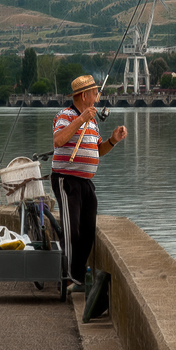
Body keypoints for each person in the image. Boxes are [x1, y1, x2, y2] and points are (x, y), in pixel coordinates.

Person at [51, 74, 126, 292]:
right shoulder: (65, 116)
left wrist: (113, 140)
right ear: (84, 95)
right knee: (71, 230)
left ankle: (76, 277)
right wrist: (80, 119)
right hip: (67, 180)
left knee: (87, 231)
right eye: (95, 93)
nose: (97, 97)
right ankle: (66, 278)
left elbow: (97, 150)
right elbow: (59, 140)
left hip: (86, 182)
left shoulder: (92, 120)